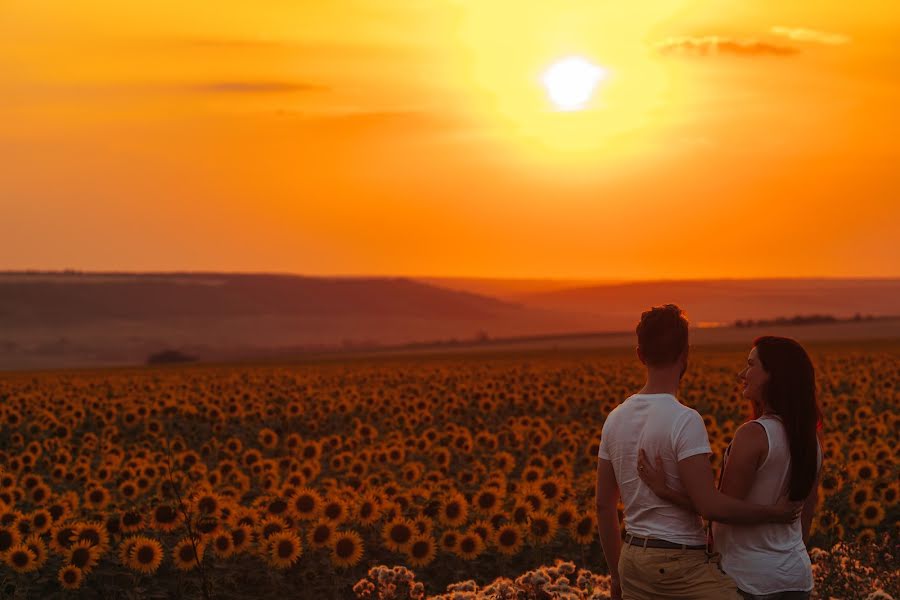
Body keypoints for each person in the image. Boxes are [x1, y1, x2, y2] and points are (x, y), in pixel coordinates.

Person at [595, 305, 802, 600]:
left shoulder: (614, 419)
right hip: (680, 565)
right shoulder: (684, 419)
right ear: (685, 354)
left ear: (640, 355)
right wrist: (772, 513)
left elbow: (604, 506)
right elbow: (710, 506)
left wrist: (616, 576)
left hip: (632, 560)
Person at [637, 336, 823, 600]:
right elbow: (805, 518)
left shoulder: (755, 434)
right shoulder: (811, 441)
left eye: (751, 365)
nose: (741, 374)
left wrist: (664, 490)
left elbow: (720, 508)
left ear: (774, 376)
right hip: (795, 576)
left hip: (749, 579)